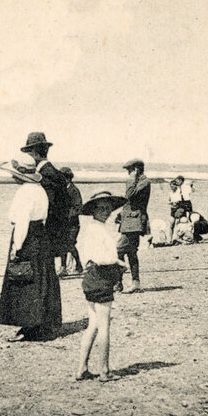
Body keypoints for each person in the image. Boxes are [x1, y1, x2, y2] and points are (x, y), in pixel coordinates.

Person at [0, 154, 61, 342]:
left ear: (20, 175)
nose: (11, 177)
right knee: (43, 277)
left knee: (24, 278)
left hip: (28, 237)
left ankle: (29, 326)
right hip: (41, 235)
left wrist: (17, 247)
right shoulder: (39, 189)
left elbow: (22, 221)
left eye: (13, 174)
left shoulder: (24, 192)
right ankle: (44, 323)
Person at [75, 191, 128, 383]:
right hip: (100, 278)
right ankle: (104, 370)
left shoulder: (93, 228)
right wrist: (118, 262)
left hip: (91, 278)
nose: (106, 212)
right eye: (101, 208)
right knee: (104, 326)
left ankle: (82, 368)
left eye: (108, 208)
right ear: (94, 210)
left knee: (93, 325)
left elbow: (90, 257)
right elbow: (100, 258)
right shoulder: (98, 230)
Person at [21, 132, 71, 269]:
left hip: (46, 235)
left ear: (35, 154)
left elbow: (47, 207)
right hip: (54, 234)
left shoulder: (45, 175)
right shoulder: (54, 173)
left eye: (28, 154)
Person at [116, 158, 151, 294]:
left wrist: (131, 178)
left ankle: (119, 282)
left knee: (118, 250)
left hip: (135, 222)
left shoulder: (144, 182)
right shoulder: (138, 181)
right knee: (131, 252)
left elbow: (130, 195)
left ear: (136, 170)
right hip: (129, 221)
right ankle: (132, 282)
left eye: (130, 170)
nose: (128, 173)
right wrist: (121, 214)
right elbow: (129, 202)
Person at [58, 167, 84, 276]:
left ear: (68, 178)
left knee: (70, 244)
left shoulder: (74, 190)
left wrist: (67, 215)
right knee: (63, 244)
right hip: (63, 223)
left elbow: (78, 207)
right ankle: (63, 268)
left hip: (73, 224)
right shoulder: (61, 190)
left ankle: (78, 265)